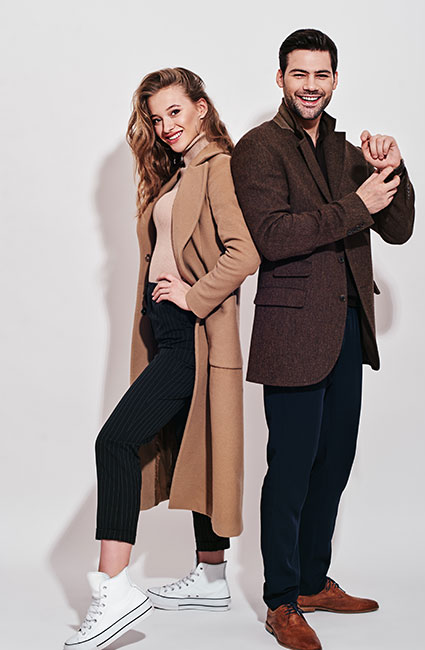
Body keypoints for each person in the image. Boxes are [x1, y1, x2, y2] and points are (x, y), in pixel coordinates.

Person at [231, 28, 415, 650]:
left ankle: (312, 581)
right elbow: (274, 236)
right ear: (280, 78)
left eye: (321, 74)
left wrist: (393, 168)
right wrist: (357, 204)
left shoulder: (346, 150)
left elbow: (398, 228)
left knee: (334, 463)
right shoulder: (258, 148)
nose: (310, 85)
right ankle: (281, 600)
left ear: (335, 79)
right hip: (290, 332)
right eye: (299, 74)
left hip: (346, 329)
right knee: (290, 469)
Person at [64, 67, 260, 650]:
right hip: (169, 334)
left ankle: (114, 591)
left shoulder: (218, 167)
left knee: (116, 443)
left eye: (176, 111)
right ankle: (212, 578)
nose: (167, 125)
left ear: (201, 107)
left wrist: (192, 296)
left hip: (193, 336)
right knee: (194, 447)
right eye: (157, 117)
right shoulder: (178, 173)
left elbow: (244, 251)